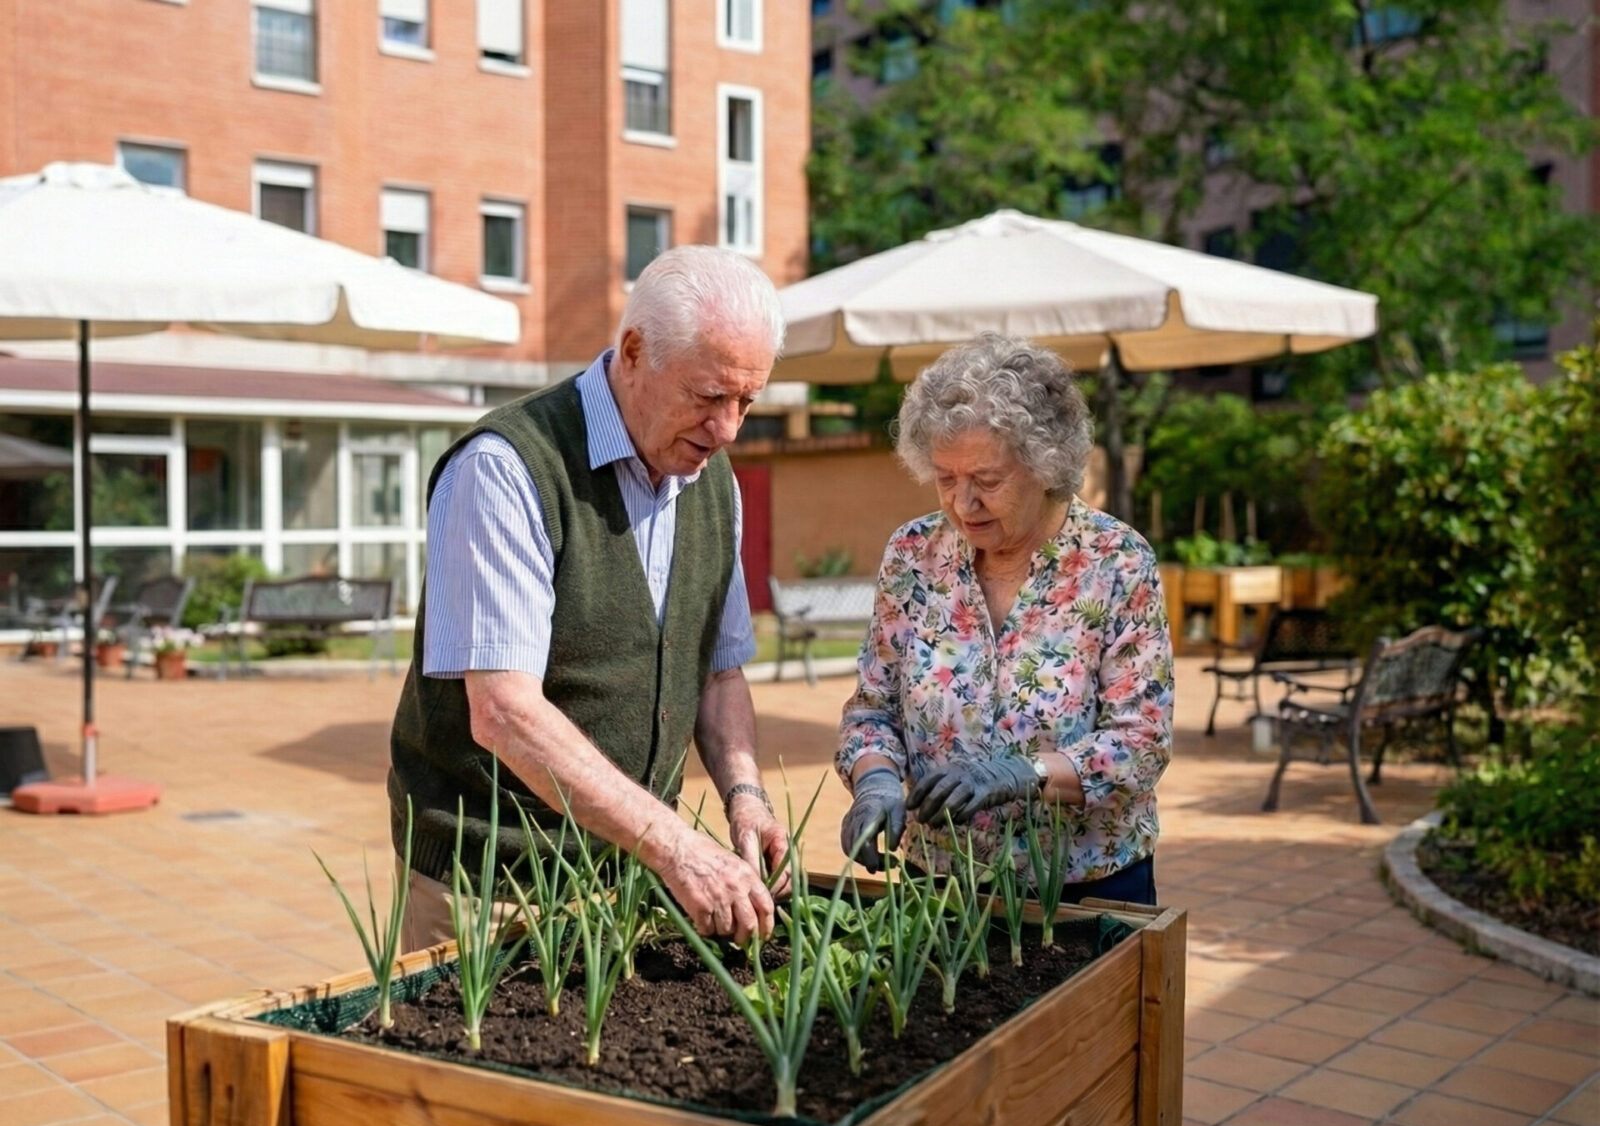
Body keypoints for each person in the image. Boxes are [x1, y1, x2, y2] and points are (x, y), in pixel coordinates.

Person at [390, 246, 790, 952]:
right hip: (491, 881)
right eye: (708, 397)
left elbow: (720, 673)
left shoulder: (713, 482)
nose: (728, 428)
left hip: (629, 869)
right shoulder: (506, 469)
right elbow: (504, 712)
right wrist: (678, 848)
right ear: (633, 351)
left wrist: (744, 793)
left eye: (746, 402)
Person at [836, 333, 1172, 903]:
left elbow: (1141, 742)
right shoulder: (912, 556)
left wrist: (1026, 775)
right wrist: (874, 779)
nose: (962, 503)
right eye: (946, 478)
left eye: (987, 481)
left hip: (1083, 885)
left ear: (1047, 466)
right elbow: (873, 708)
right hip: (938, 879)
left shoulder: (1117, 562)